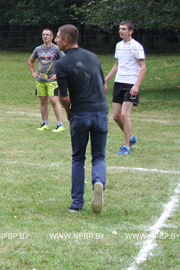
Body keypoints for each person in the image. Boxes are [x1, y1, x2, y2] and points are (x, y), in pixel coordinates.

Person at [54, 24, 107, 214]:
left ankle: (77, 203)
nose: (55, 40)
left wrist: (68, 111)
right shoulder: (93, 57)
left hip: (80, 113)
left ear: (66, 41)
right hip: (101, 111)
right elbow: (104, 87)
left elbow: (64, 97)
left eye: (58, 38)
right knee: (99, 156)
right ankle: (99, 182)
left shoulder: (61, 64)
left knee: (78, 158)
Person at [104, 21, 146, 155]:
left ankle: (126, 146)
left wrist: (136, 85)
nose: (120, 31)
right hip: (119, 83)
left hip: (130, 84)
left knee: (124, 114)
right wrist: (105, 80)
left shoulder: (137, 46)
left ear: (130, 31)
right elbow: (117, 65)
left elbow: (143, 67)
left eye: (123, 29)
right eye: (119, 29)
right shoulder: (118, 46)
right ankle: (131, 137)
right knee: (116, 116)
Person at [28, 28, 66, 132]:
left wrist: (58, 75)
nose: (45, 36)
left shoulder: (57, 49)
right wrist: (33, 72)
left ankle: (60, 124)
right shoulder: (38, 49)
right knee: (43, 101)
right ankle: (45, 123)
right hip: (40, 80)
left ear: (52, 37)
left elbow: (65, 62)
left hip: (52, 81)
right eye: (43, 34)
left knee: (54, 100)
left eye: (47, 35)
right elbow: (30, 61)